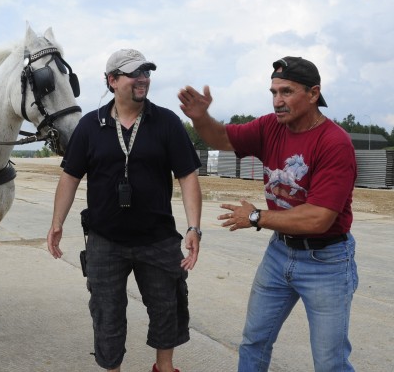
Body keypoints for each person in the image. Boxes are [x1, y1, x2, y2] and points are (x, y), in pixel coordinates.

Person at [178, 56, 358, 371]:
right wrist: (200, 117)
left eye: (286, 92)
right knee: (253, 342)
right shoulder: (269, 127)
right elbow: (220, 137)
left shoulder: (334, 143)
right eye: (273, 92)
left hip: (326, 262)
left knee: (330, 362)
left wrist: (256, 217)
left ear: (313, 94)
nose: (277, 101)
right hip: (279, 253)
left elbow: (319, 218)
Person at [47, 48, 203, 372]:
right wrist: (57, 222)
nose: (143, 78)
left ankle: (164, 367)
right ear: (113, 80)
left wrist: (194, 227)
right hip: (105, 241)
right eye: (134, 73)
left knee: (168, 307)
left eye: (146, 72)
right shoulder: (91, 125)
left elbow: (187, 175)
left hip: (157, 239)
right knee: (106, 313)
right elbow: (70, 176)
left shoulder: (167, 123)